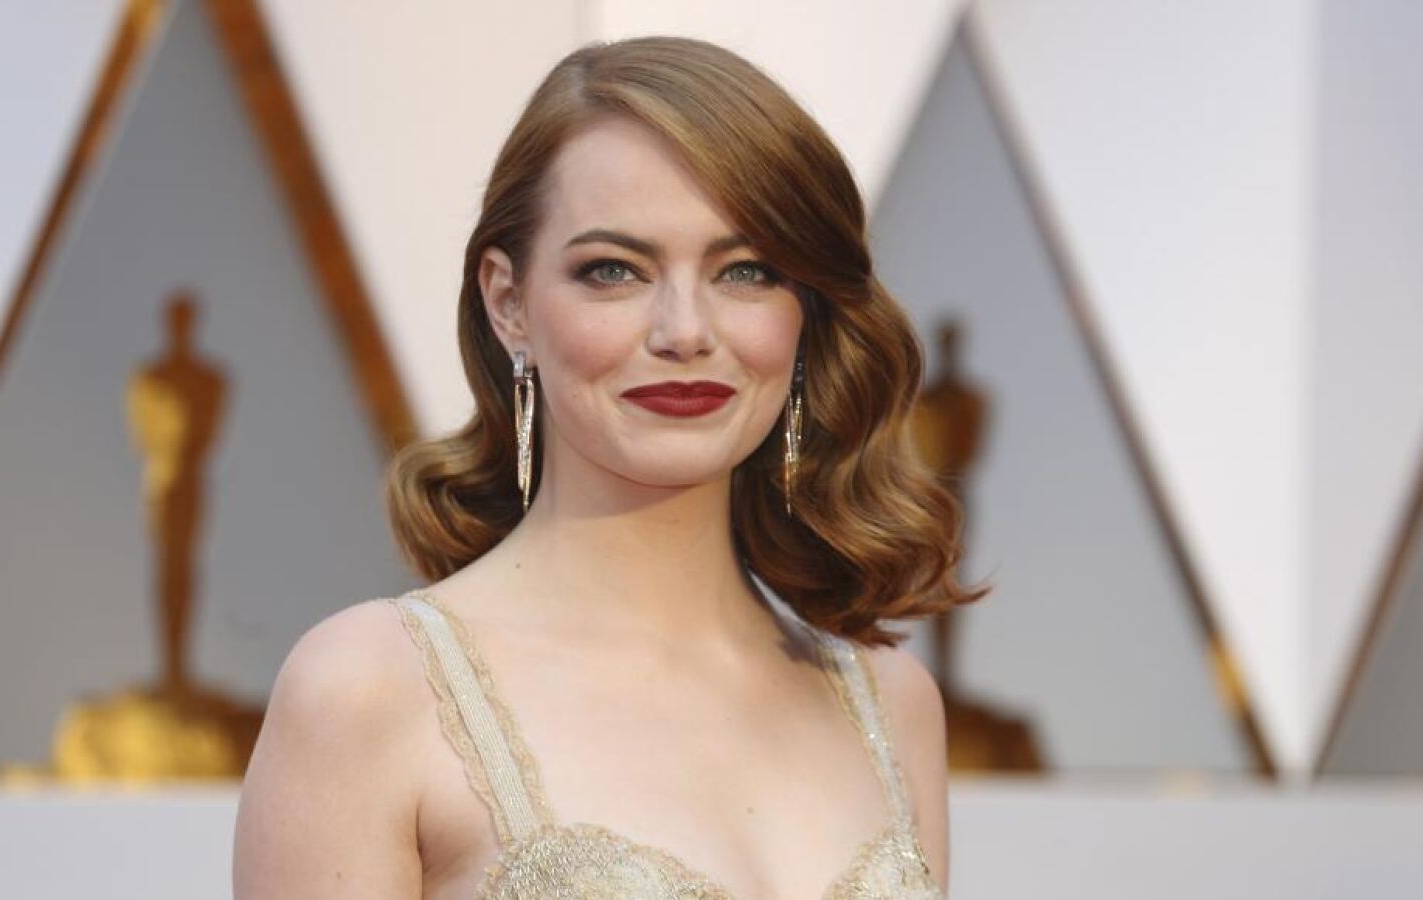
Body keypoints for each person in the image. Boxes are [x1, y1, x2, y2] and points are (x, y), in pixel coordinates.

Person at [234, 34, 987, 899]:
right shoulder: (368, 691)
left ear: (806, 309)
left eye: (746, 270)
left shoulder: (892, 706)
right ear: (508, 303)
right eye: (614, 271)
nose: (685, 331)